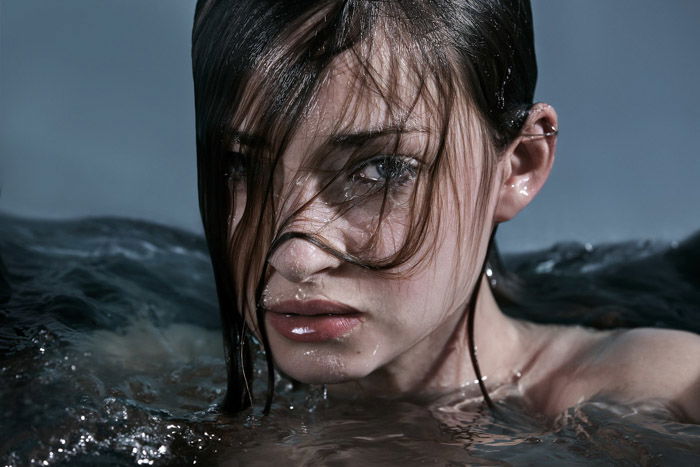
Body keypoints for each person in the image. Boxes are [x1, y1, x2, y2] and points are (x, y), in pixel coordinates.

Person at [191, 0, 700, 421]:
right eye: (242, 167)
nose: (296, 259)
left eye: (384, 169)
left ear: (518, 165)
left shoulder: (662, 393)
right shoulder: (157, 370)